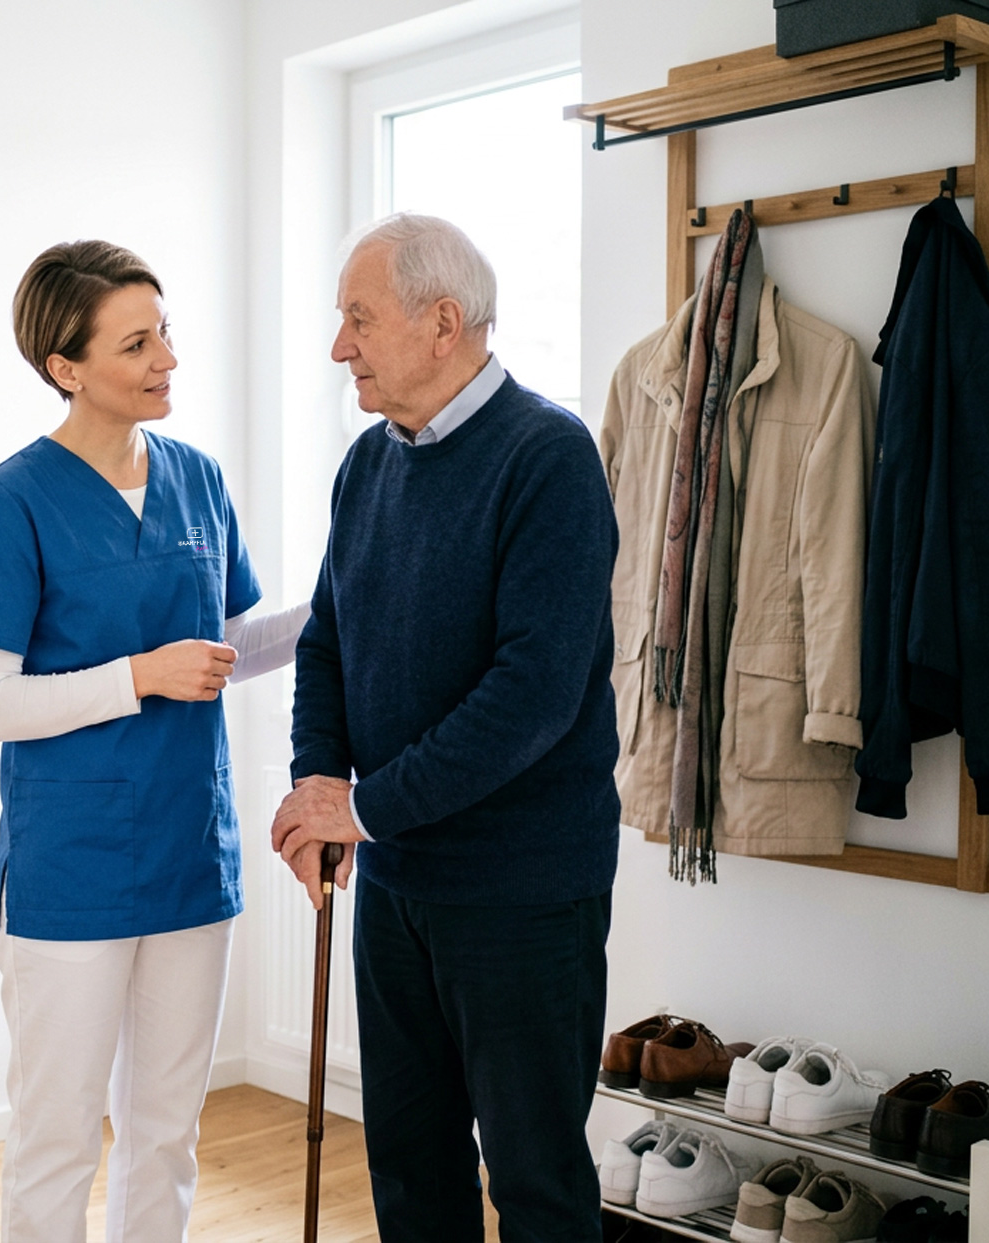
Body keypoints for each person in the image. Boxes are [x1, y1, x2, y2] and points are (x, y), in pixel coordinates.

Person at [0, 240, 308, 1243]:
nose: (166, 358)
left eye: (166, 331)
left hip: (193, 855)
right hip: (71, 871)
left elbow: (225, 645)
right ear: (67, 368)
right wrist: (135, 677)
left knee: (167, 1131)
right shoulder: (11, 500)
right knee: (58, 1135)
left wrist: (343, 604)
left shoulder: (198, 478)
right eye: (136, 342)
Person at [270, 213, 620, 1242]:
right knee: (411, 1176)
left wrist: (365, 805)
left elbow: (534, 694)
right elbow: (328, 642)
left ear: (442, 323)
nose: (341, 346)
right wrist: (318, 789)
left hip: (522, 892)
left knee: (537, 1180)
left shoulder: (548, 457)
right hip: (394, 883)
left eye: (358, 318)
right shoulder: (365, 467)